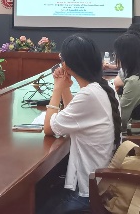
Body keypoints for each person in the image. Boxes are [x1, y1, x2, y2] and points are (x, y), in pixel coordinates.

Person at [41, 36, 119, 214]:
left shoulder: (89, 95)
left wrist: (57, 88)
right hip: (101, 184)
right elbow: (73, 116)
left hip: (86, 194)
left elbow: (49, 129)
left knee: (35, 204)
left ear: (67, 65)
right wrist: (66, 88)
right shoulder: (104, 87)